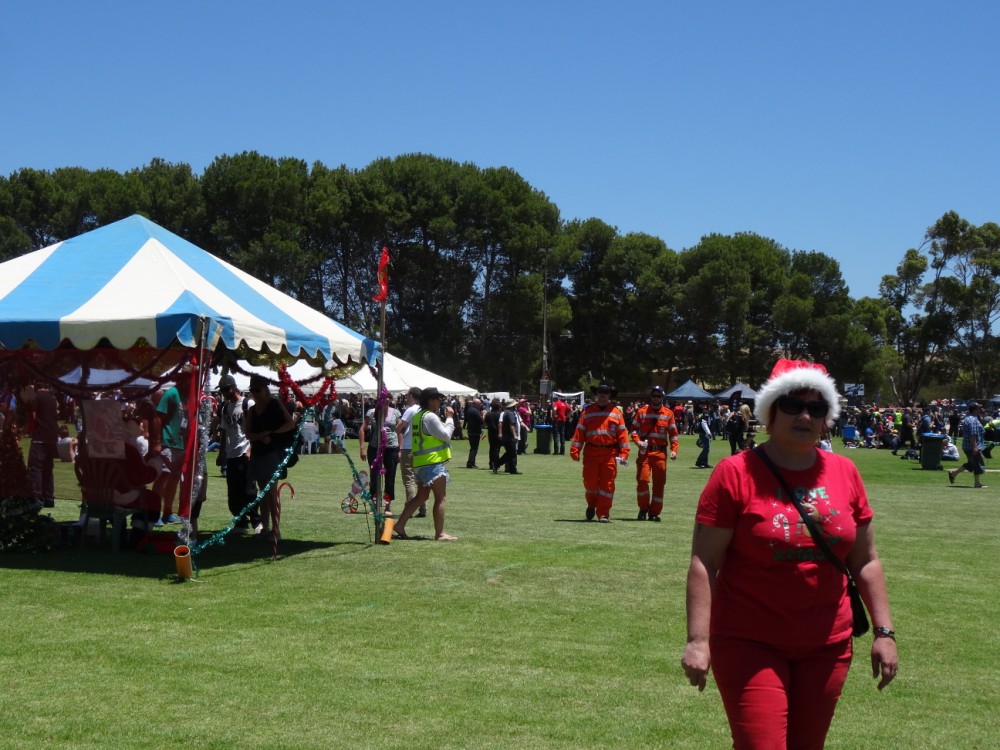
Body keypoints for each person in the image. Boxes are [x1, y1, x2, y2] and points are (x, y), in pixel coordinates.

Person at [681, 358, 898, 750]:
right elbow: (705, 562)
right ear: (770, 412)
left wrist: (884, 632)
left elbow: (865, 560)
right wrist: (698, 640)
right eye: (793, 405)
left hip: (828, 645)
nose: (805, 415)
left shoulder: (845, 472)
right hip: (750, 641)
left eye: (816, 407)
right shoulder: (734, 472)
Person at [393, 387, 457, 541]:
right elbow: (446, 435)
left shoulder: (418, 416)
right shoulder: (430, 417)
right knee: (440, 497)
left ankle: (399, 525)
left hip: (421, 462)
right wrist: (450, 418)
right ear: (430, 400)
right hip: (432, 462)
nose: (440, 401)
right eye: (438, 398)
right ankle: (440, 534)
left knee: (421, 496)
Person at [569, 381, 630, 522]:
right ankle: (591, 504)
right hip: (591, 453)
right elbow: (579, 432)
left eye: (605, 393)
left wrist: (624, 454)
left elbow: (622, 435)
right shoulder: (588, 412)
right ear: (596, 394)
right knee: (590, 483)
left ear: (610, 395)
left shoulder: (616, 413)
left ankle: (603, 513)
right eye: (600, 392)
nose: (602, 395)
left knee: (607, 485)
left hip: (610, 454)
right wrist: (575, 450)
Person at [244, 374, 295, 536]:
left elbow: (290, 424)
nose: (255, 394)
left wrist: (271, 433)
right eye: (252, 391)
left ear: (265, 389)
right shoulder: (252, 410)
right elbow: (248, 434)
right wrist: (260, 436)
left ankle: (276, 529)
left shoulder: (275, 404)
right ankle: (265, 528)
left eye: (257, 390)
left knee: (272, 493)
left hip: (273, 453)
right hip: (258, 454)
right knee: (263, 493)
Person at [217, 374, 262, 534]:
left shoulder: (247, 404)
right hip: (231, 454)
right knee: (233, 492)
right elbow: (224, 432)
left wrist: (250, 450)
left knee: (249, 490)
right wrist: (221, 452)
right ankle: (240, 522)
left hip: (244, 452)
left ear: (233, 388)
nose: (223, 393)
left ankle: (257, 521)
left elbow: (255, 428)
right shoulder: (225, 407)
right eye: (222, 390)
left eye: (225, 390)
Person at [630, 385, 679, 521]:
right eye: (654, 396)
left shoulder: (668, 414)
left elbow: (673, 435)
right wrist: (638, 442)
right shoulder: (642, 412)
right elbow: (633, 430)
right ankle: (643, 509)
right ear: (650, 397)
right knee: (642, 481)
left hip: (660, 454)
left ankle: (654, 513)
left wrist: (674, 450)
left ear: (662, 397)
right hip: (645, 453)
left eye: (659, 396)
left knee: (659, 484)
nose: (656, 398)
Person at [150, 371, 194, 525]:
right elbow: (158, 418)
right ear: (183, 379)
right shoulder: (171, 393)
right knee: (163, 476)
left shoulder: (188, 396)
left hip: (180, 443)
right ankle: (154, 512)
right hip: (167, 442)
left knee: (174, 478)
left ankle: (168, 511)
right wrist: (157, 442)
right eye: (191, 379)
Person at [19, 383, 60, 508]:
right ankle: (49, 497)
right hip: (52, 436)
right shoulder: (52, 398)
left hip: (40, 436)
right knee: (48, 468)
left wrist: (25, 430)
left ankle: (36, 497)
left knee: (35, 467)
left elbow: (33, 416)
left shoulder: (36, 397)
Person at [359, 398, 402, 512]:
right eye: (384, 401)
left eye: (388, 401)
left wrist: (400, 450)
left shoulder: (395, 413)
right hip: (375, 447)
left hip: (391, 448)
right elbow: (362, 429)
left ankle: (387, 506)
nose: (386, 404)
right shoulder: (372, 412)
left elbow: (399, 431)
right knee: (374, 477)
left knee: (390, 477)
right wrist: (362, 447)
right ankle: (374, 505)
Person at [395, 387, 426, 517]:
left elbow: (399, 427)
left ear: (412, 397)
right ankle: (422, 508)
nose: (406, 398)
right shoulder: (423, 410)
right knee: (420, 480)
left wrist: (398, 429)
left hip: (408, 446)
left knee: (409, 480)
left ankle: (410, 508)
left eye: (408, 396)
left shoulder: (410, 410)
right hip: (421, 447)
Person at [948, 401, 987, 488]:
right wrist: (975, 447)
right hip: (971, 446)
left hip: (968, 446)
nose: (981, 409)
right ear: (975, 410)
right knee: (977, 463)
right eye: (979, 408)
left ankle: (953, 474)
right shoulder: (972, 420)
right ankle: (977, 483)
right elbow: (973, 434)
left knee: (971, 464)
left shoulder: (971, 418)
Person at [496, 399, 522, 474]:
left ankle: (502, 466)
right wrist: (515, 435)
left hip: (506, 436)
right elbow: (512, 425)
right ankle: (510, 468)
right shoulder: (511, 414)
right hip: (510, 437)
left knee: (510, 453)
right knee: (512, 453)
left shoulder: (504, 413)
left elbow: (500, 423)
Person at [463, 397, 484, 468]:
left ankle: (472, 462)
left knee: (473, 447)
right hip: (475, 431)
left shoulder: (469, 410)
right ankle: (470, 463)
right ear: (476, 404)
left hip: (470, 430)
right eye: (479, 404)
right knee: (474, 448)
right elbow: (481, 421)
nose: (480, 405)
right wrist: (483, 415)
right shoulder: (475, 411)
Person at [484, 398, 504, 472]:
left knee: (492, 448)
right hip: (498, 433)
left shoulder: (488, 414)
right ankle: (495, 463)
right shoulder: (501, 414)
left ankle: (491, 463)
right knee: (497, 449)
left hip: (491, 433)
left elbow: (485, 424)